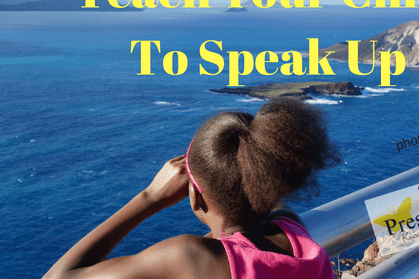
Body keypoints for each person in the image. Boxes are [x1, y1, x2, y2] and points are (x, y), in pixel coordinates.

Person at [44, 98, 341, 279]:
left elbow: (58, 278)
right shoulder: (293, 228)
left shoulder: (189, 257)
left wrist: (150, 198)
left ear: (196, 196)